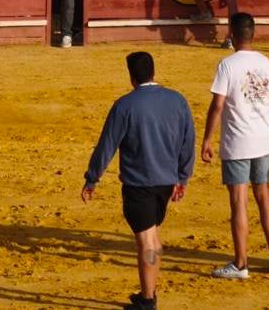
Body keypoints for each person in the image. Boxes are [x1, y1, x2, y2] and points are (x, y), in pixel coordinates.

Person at [82, 51, 195, 310]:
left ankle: (147, 301)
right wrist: (182, 176)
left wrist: (92, 178)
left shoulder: (125, 105)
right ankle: (150, 293)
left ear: (131, 76)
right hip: (166, 182)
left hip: (139, 184)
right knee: (152, 236)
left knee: (147, 241)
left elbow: (107, 145)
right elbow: (188, 141)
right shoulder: (177, 100)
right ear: (154, 71)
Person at [201, 12, 269, 279]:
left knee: (239, 202)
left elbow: (217, 105)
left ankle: (240, 264)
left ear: (231, 33)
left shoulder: (227, 65)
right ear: (254, 33)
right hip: (262, 140)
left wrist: (206, 139)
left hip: (237, 142)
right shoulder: (267, 63)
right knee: (264, 196)